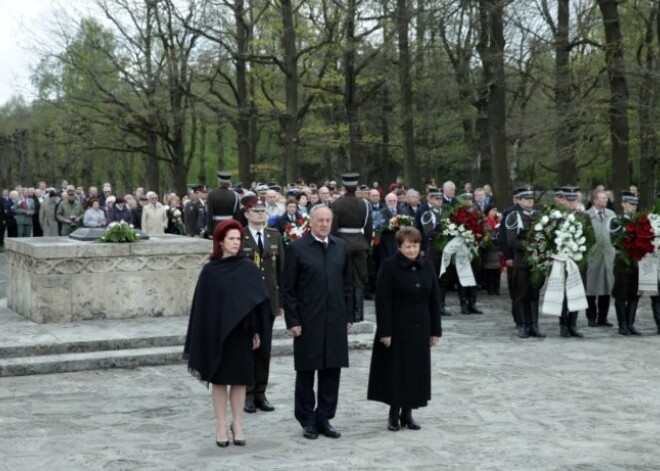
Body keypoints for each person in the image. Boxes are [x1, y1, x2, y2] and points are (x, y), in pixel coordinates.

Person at [183, 219, 271, 447]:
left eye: (238, 239)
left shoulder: (248, 268)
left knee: (240, 380)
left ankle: (238, 423)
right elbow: (203, 308)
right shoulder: (210, 271)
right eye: (230, 239)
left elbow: (256, 303)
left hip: (242, 333)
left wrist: (256, 332)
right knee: (220, 380)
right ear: (220, 242)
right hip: (218, 333)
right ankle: (221, 424)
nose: (235, 242)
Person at [283, 205, 352, 440]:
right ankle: (307, 420)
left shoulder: (340, 247)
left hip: (334, 319)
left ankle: (324, 417)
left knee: (331, 370)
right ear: (310, 222)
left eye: (328, 220)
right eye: (319, 220)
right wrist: (292, 320)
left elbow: (348, 285)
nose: (324, 224)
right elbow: (289, 289)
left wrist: (348, 316)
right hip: (307, 320)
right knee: (306, 371)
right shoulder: (297, 249)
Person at [367, 226, 441, 431]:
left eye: (415, 246)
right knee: (396, 372)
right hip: (397, 328)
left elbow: (434, 300)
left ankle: (408, 413)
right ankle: (393, 413)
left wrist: (435, 331)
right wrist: (385, 331)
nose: (412, 250)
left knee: (415, 371)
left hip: (420, 328)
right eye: (408, 246)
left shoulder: (427, 267)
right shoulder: (389, 266)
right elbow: (382, 301)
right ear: (399, 246)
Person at [239, 195, 285, 414]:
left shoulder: (274, 236)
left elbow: (281, 271)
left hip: (268, 300)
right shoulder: (240, 236)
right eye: (255, 210)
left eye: (262, 210)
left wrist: (282, 302)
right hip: (246, 301)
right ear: (246, 213)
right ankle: (247, 393)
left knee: (265, 348)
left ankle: (260, 392)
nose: (259, 213)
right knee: (248, 347)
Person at [331, 173, 373, 323]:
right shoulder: (365, 204)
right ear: (356, 186)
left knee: (343, 279)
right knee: (359, 280)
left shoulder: (336, 204)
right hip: (360, 244)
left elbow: (333, 229)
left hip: (342, 244)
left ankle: (346, 314)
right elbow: (369, 229)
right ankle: (358, 315)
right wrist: (367, 245)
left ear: (343, 186)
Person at [506, 185, 545, 339]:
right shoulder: (513, 216)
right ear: (519, 201)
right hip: (521, 261)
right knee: (521, 294)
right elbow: (511, 240)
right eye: (526, 199)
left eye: (531, 199)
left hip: (536, 261)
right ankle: (522, 325)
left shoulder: (539, 215)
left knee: (534, 294)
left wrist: (540, 247)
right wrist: (529, 246)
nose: (529, 201)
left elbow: (544, 235)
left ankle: (534, 325)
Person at [611, 191, 641, 336]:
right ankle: (622, 324)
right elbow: (614, 241)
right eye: (630, 204)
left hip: (637, 264)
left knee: (634, 296)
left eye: (635, 204)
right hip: (622, 263)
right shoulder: (617, 220)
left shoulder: (641, 221)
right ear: (623, 204)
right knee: (621, 295)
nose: (633, 207)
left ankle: (630, 324)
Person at [585, 189, 616, 328]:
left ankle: (602, 318)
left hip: (608, 256)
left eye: (606, 198)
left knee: (606, 287)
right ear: (595, 200)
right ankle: (591, 317)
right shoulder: (586, 215)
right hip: (592, 256)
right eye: (603, 198)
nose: (606, 200)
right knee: (590, 289)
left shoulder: (611, 214)